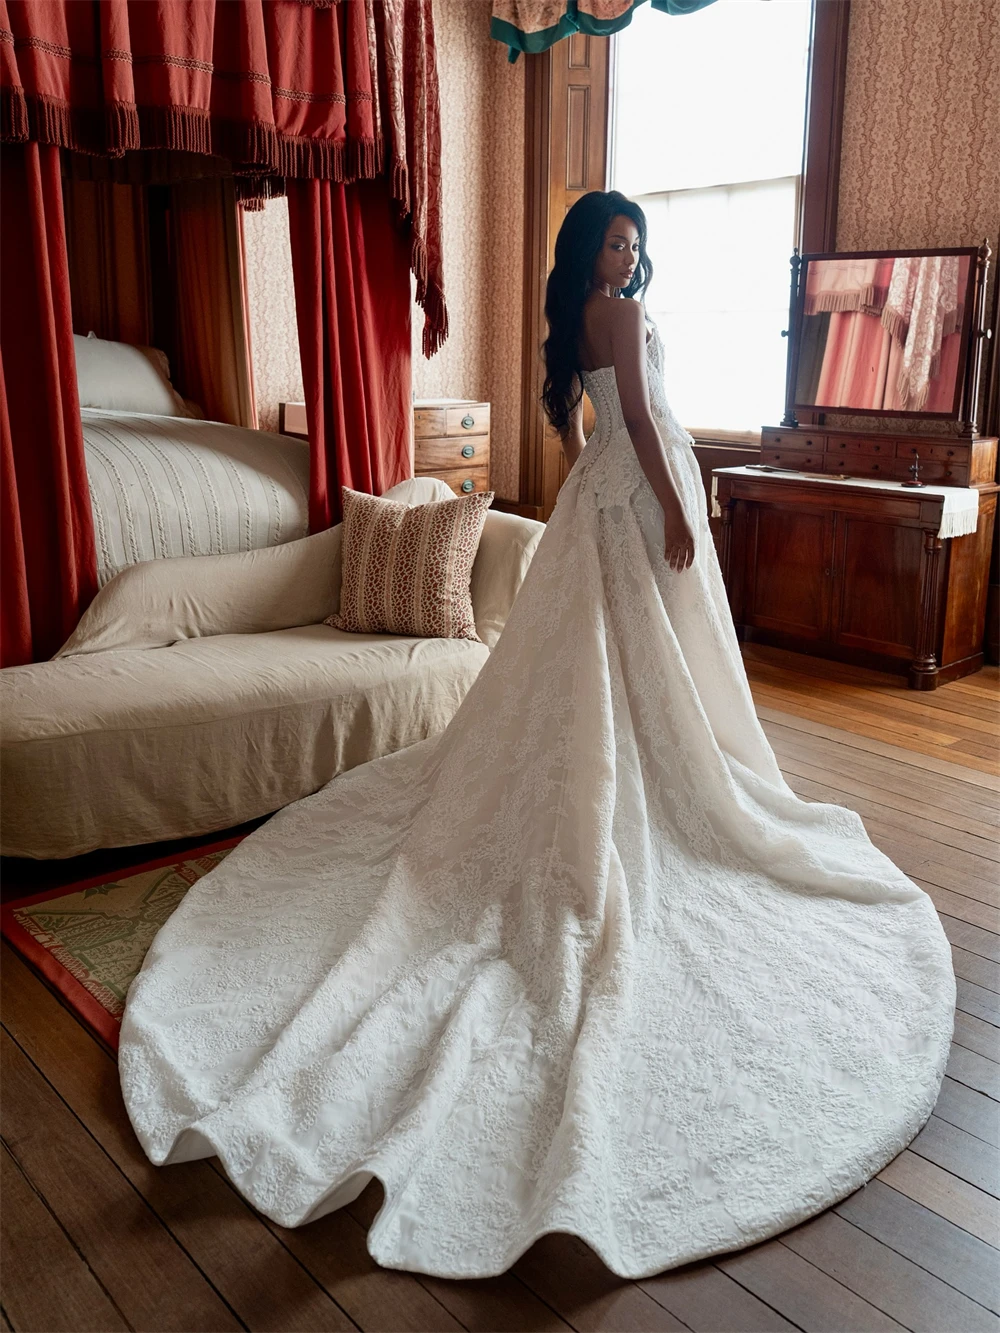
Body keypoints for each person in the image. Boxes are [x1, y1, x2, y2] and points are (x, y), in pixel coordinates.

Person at [120, 190, 954, 1281]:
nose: (628, 254)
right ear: (588, 253)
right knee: (629, 666)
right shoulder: (616, 314)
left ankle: (642, 776)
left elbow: (584, 427)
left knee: (613, 670)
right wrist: (671, 493)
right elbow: (646, 422)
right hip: (632, 492)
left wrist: (622, 482)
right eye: (614, 240)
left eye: (634, 241)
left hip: (596, 498)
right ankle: (643, 790)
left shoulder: (585, 319)